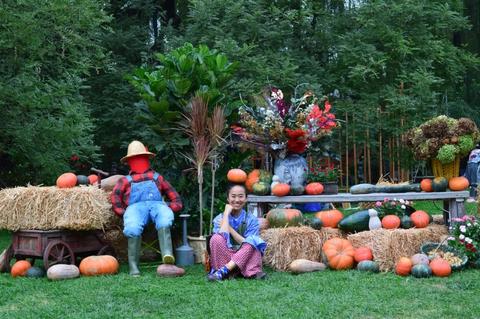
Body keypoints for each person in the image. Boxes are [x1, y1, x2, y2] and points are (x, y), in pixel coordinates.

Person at [111, 141, 183, 276]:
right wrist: (124, 212)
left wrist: (169, 207)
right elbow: (115, 199)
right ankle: (133, 266)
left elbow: (175, 197)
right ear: (129, 162)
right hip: (135, 208)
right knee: (132, 227)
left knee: (164, 219)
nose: (139, 161)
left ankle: (167, 256)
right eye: (136, 159)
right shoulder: (125, 180)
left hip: (157, 205)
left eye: (141, 158)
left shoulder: (157, 177)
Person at [208, 184, 267, 281]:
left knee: (253, 242)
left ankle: (225, 271)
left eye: (240, 196)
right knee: (216, 238)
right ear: (228, 198)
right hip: (225, 256)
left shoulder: (251, 220)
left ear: (246, 199)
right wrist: (226, 214)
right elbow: (222, 237)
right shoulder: (219, 218)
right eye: (233, 196)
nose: (237, 200)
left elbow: (249, 244)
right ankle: (238, 271)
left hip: (245, 255)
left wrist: (230, 228)